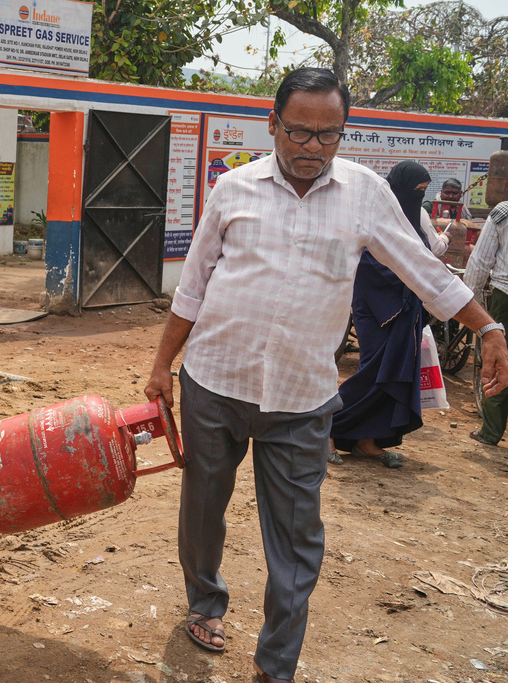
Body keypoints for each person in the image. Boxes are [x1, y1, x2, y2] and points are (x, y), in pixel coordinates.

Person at [143, 68, 508, 683]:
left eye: (328, 135)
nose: (312, 147)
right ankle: (205, 602)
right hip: (213, 382)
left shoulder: (364, 193)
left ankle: (275, 662)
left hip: (303, 398)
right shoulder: (232, 189)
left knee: (296, 538)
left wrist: (488, 328)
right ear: (273, 125)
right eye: (300, 133)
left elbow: (424, 269)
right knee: (203, 509)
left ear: (343, 133)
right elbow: (194, 287)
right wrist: (160, 365)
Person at [329, 161, 444, 468]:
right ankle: (326, 431)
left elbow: (424, 260)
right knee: (372, 375)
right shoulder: (374, 215)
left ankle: (368, 441)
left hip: (408, 314)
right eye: (413, 191)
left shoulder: (415, 221)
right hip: (379, 309)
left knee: (393, 377)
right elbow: (367, 263)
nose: (417, 198)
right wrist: (406, 281)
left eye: (423, 192)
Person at [465, 201, 508, 446]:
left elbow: (480, 262)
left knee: (497, 359)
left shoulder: (503, 212)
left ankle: (491, 432)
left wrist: (473, 304)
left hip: (504, 296)